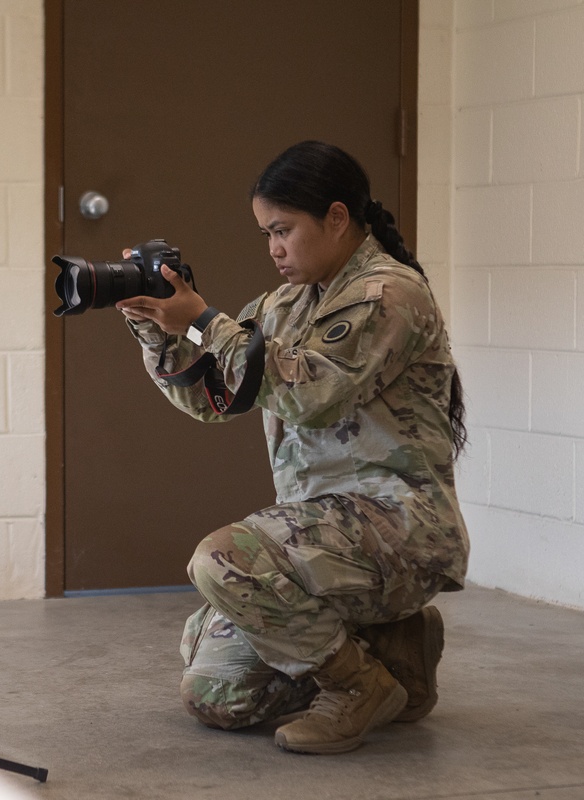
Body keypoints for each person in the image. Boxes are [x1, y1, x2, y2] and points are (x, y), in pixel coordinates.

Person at [116, 140, 469, 755]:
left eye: (284, 229)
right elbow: (214, 396)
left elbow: (314, 396)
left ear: (336, 217)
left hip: (401, 530)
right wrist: (161, 326)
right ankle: (395, 648)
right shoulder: (285, 305)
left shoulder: (388, 295)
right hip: (321, 540)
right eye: (266, 234)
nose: (275, 248)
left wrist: (209, 322)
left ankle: (358, 685)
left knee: (222, 562)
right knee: (214, 694)